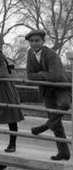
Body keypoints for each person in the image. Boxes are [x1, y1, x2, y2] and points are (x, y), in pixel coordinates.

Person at [25, 29, 71, 161]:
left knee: (64, 104)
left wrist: (39, 75)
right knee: (56, 122)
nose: (34, 43)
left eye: (37, 41)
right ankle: (64, 152)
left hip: (61, 87)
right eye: (31, 41)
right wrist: (43, 75)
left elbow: (55, 76)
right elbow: (30, 75)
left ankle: (44, 127)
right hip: (47, 90)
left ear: (43, 42)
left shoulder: (51, 54)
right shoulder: (30, 54)